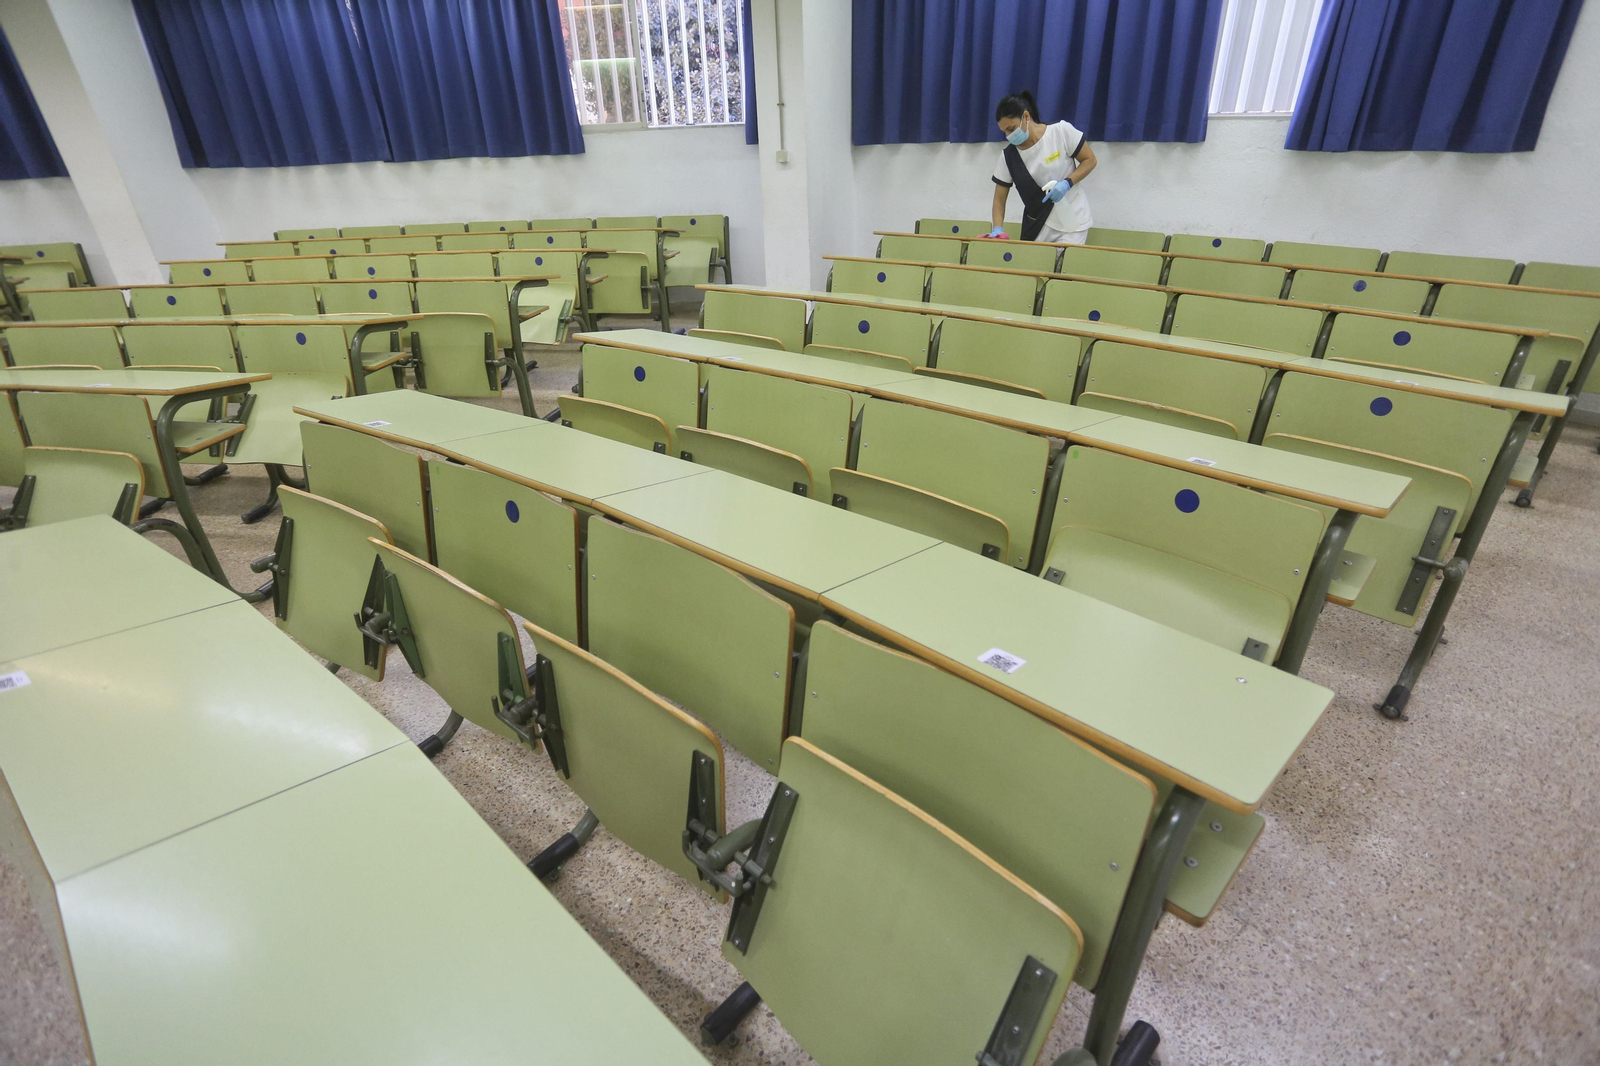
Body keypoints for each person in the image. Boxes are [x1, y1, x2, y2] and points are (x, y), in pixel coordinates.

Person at [989, 90, 1097, 244]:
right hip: (1037, 225)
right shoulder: (1008, 157)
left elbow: (1090, 160)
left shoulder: (1060, 132)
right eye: (1004, 131)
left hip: (1072, 219)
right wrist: (997, 229)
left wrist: (1067, 183)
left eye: (1011, 129)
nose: (1008, 136)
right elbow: (999, 199)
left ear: (1026, 117)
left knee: (1063, 265)